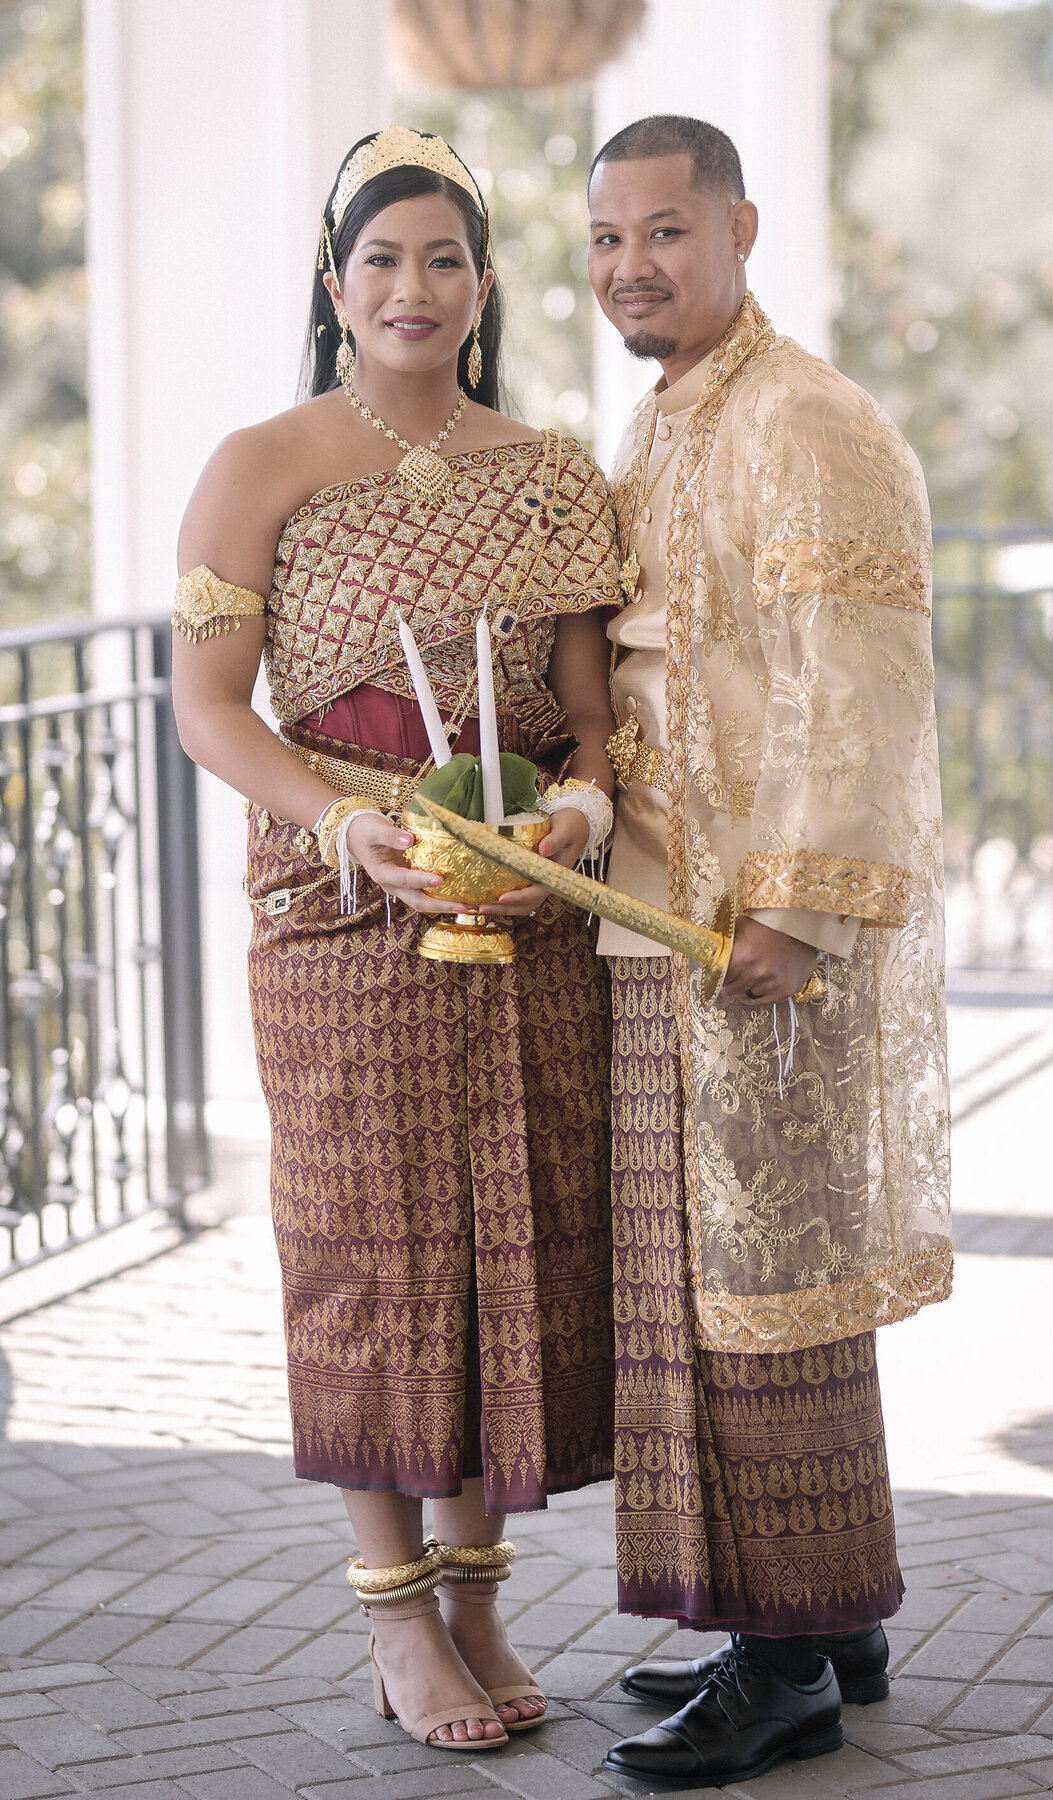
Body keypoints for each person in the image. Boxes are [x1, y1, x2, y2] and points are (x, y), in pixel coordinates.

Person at [172, 127, 622, 1754]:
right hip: (340, 904)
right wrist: (347, 823)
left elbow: (590, 723)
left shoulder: (551, 470)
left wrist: (567, 826)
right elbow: (208, 709)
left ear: (486, 285)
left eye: (445, 259)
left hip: (518, 904)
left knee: (515, 1236)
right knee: (372, 1254)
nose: (413, 288)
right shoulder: (260, 464)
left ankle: (486, 1593)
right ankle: (395, 1616)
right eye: (382, 261)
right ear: (336, 284)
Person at [586, 115, 953, 1787]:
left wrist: (796, 912)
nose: (630, 269)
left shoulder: (804, 419)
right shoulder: (666, 424)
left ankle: (787, 1661)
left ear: (741, 228)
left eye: (663, 233)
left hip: (756, 941)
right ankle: (827, 1617)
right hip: (665, 925)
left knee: (766, 1292)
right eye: (605, 241)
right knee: (720, 1284)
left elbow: (862, 683)